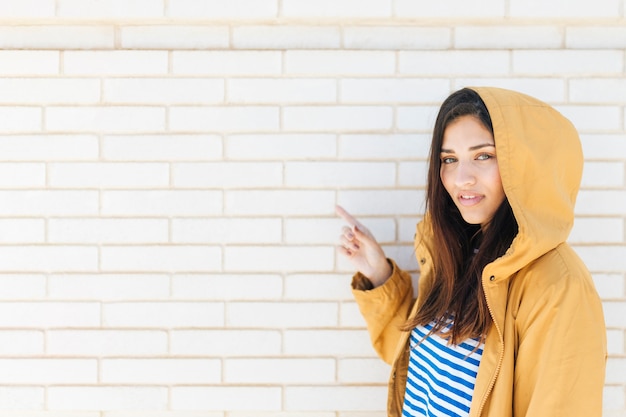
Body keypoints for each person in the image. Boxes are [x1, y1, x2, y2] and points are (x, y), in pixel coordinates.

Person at [337, 87, 607, 417]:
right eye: (449, 159)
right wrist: (379, 274)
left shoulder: (558, 286)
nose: (461, 178)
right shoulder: (452, 252)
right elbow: (422, 369)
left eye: (483, 156)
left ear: (523, 164)